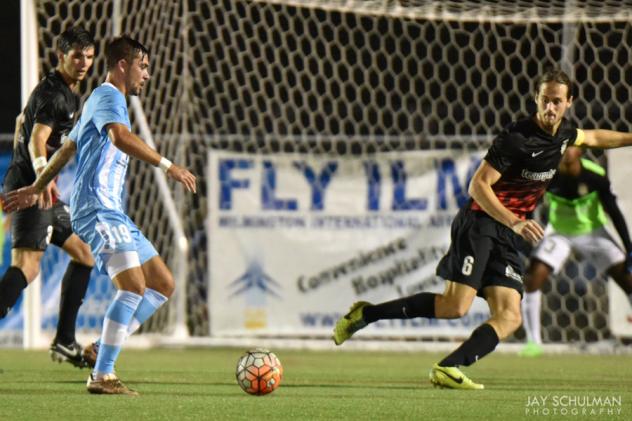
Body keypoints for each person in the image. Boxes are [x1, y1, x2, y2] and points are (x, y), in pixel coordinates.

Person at [332, 67, 632, 390]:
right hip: (480, 223)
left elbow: (597, 137)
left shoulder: (565, 136)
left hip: (506, 234)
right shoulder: (516, 138)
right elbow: (478, 186)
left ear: (569, 102)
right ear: (536, 98)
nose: (550, 107)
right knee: (455, 307)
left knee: (510, 316)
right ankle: (366, 314)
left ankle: (449, 367)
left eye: (557, 101)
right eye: (545, 100)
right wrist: (515, 220)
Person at [4, 35, 196, 395]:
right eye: (144, 66)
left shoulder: (96, 98)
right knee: (134, 287)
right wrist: (168, 165)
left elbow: (65, 150)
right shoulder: (108, 96)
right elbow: (121, 138)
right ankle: (102, 374)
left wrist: (37, 185)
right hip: (97, 209)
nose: (147, 75)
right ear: (123, 65)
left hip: (113, 211)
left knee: (162, 284)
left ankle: (98, 349)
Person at [0, 27, 96, 367]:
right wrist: (42, 177)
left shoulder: (64, 93)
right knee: (27, 267)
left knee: (84, 254)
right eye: (76, 56)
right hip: (32, 189)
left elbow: (22, 123)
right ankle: (65, 341)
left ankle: (65, 341)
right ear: (61, 57)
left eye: (88, 56)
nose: (83, 63)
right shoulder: (55, 94)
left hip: (43, 190)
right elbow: (36, 140)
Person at [520, 146, 632, 357]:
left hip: (592, 232)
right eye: (563, 144)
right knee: (533, 277)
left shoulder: (595, 176)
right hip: (559, 232)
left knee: (628, 279)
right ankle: (533, 342)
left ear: (580, 151)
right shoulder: (547, 174)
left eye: (572, 145)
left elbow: (614, 212)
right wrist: (526, 240)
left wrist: (629, 247)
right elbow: (527, 205)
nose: (566, 150)